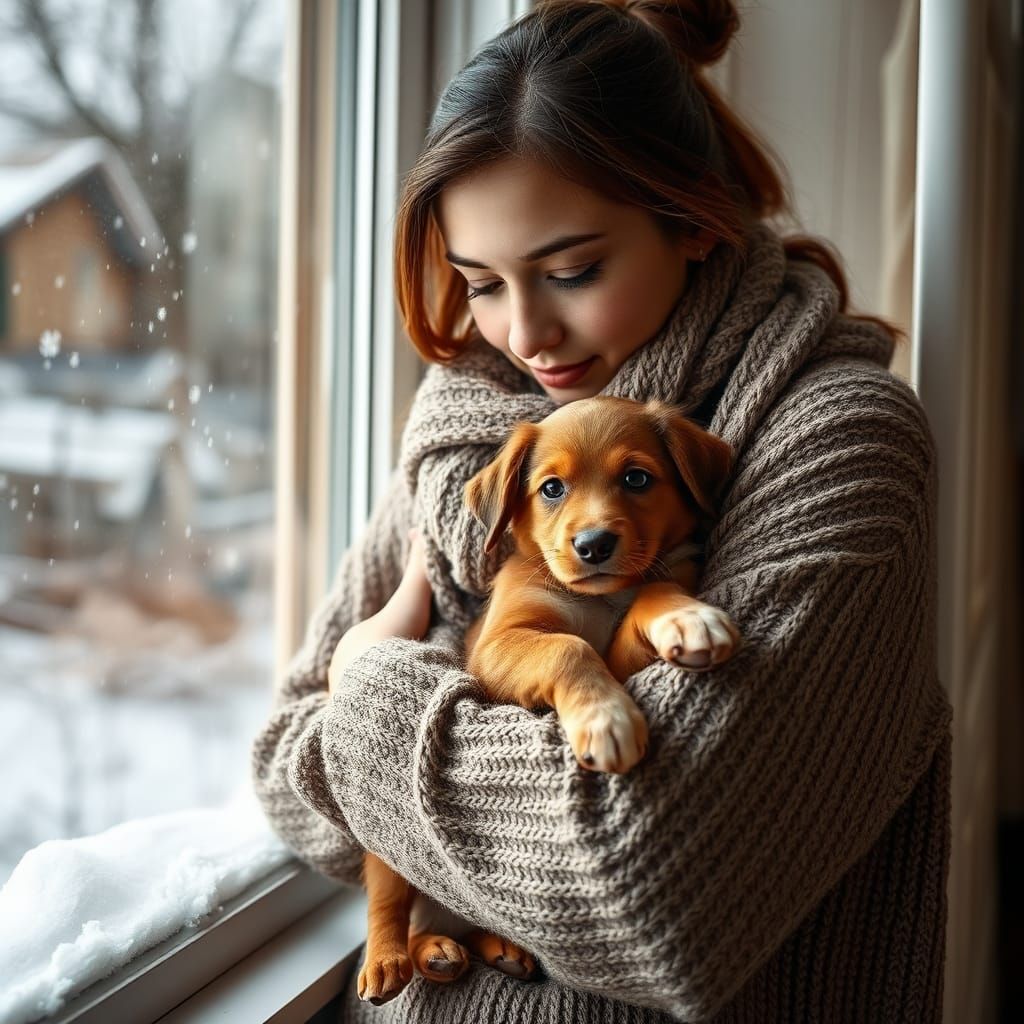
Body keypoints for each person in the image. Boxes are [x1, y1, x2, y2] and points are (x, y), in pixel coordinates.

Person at [251, 2, 953, 1021]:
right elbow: (283, 770)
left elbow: (649, 895)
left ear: (694, 218)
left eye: (571, 271)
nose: (525, 335)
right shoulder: (472, 439)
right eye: (481, 284)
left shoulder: (841, 442)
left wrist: (371, 688)